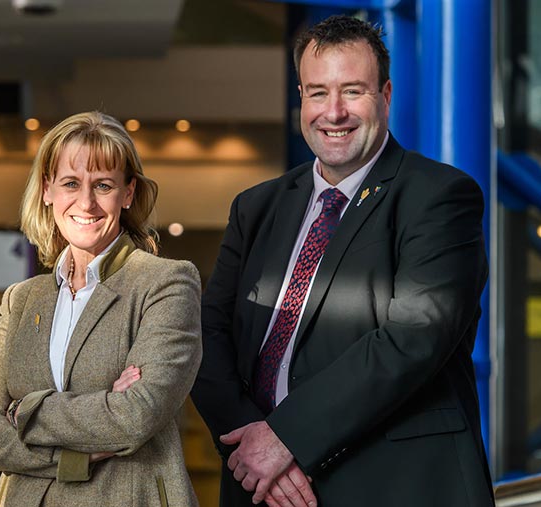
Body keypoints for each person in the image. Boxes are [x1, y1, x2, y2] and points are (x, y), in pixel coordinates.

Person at [191, 15, 494, 507]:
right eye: (317, 92)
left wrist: (284, 437)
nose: (334, 112)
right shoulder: (257, 205)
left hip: (392, 484)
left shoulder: (439, 197)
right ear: (301, 98)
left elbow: (414, 336)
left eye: (353, 91)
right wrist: (248, 441)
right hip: (263, 487)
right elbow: (208, 332)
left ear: (386, 95)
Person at [0, 111, 202, 506]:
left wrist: (24, 410)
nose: (86, 202)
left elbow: (135, 416)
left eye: (104, 185)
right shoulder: (21, 299)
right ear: (48, 190)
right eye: (71, 183)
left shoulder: (167, 284)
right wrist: (81, 450)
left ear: (128, 193)